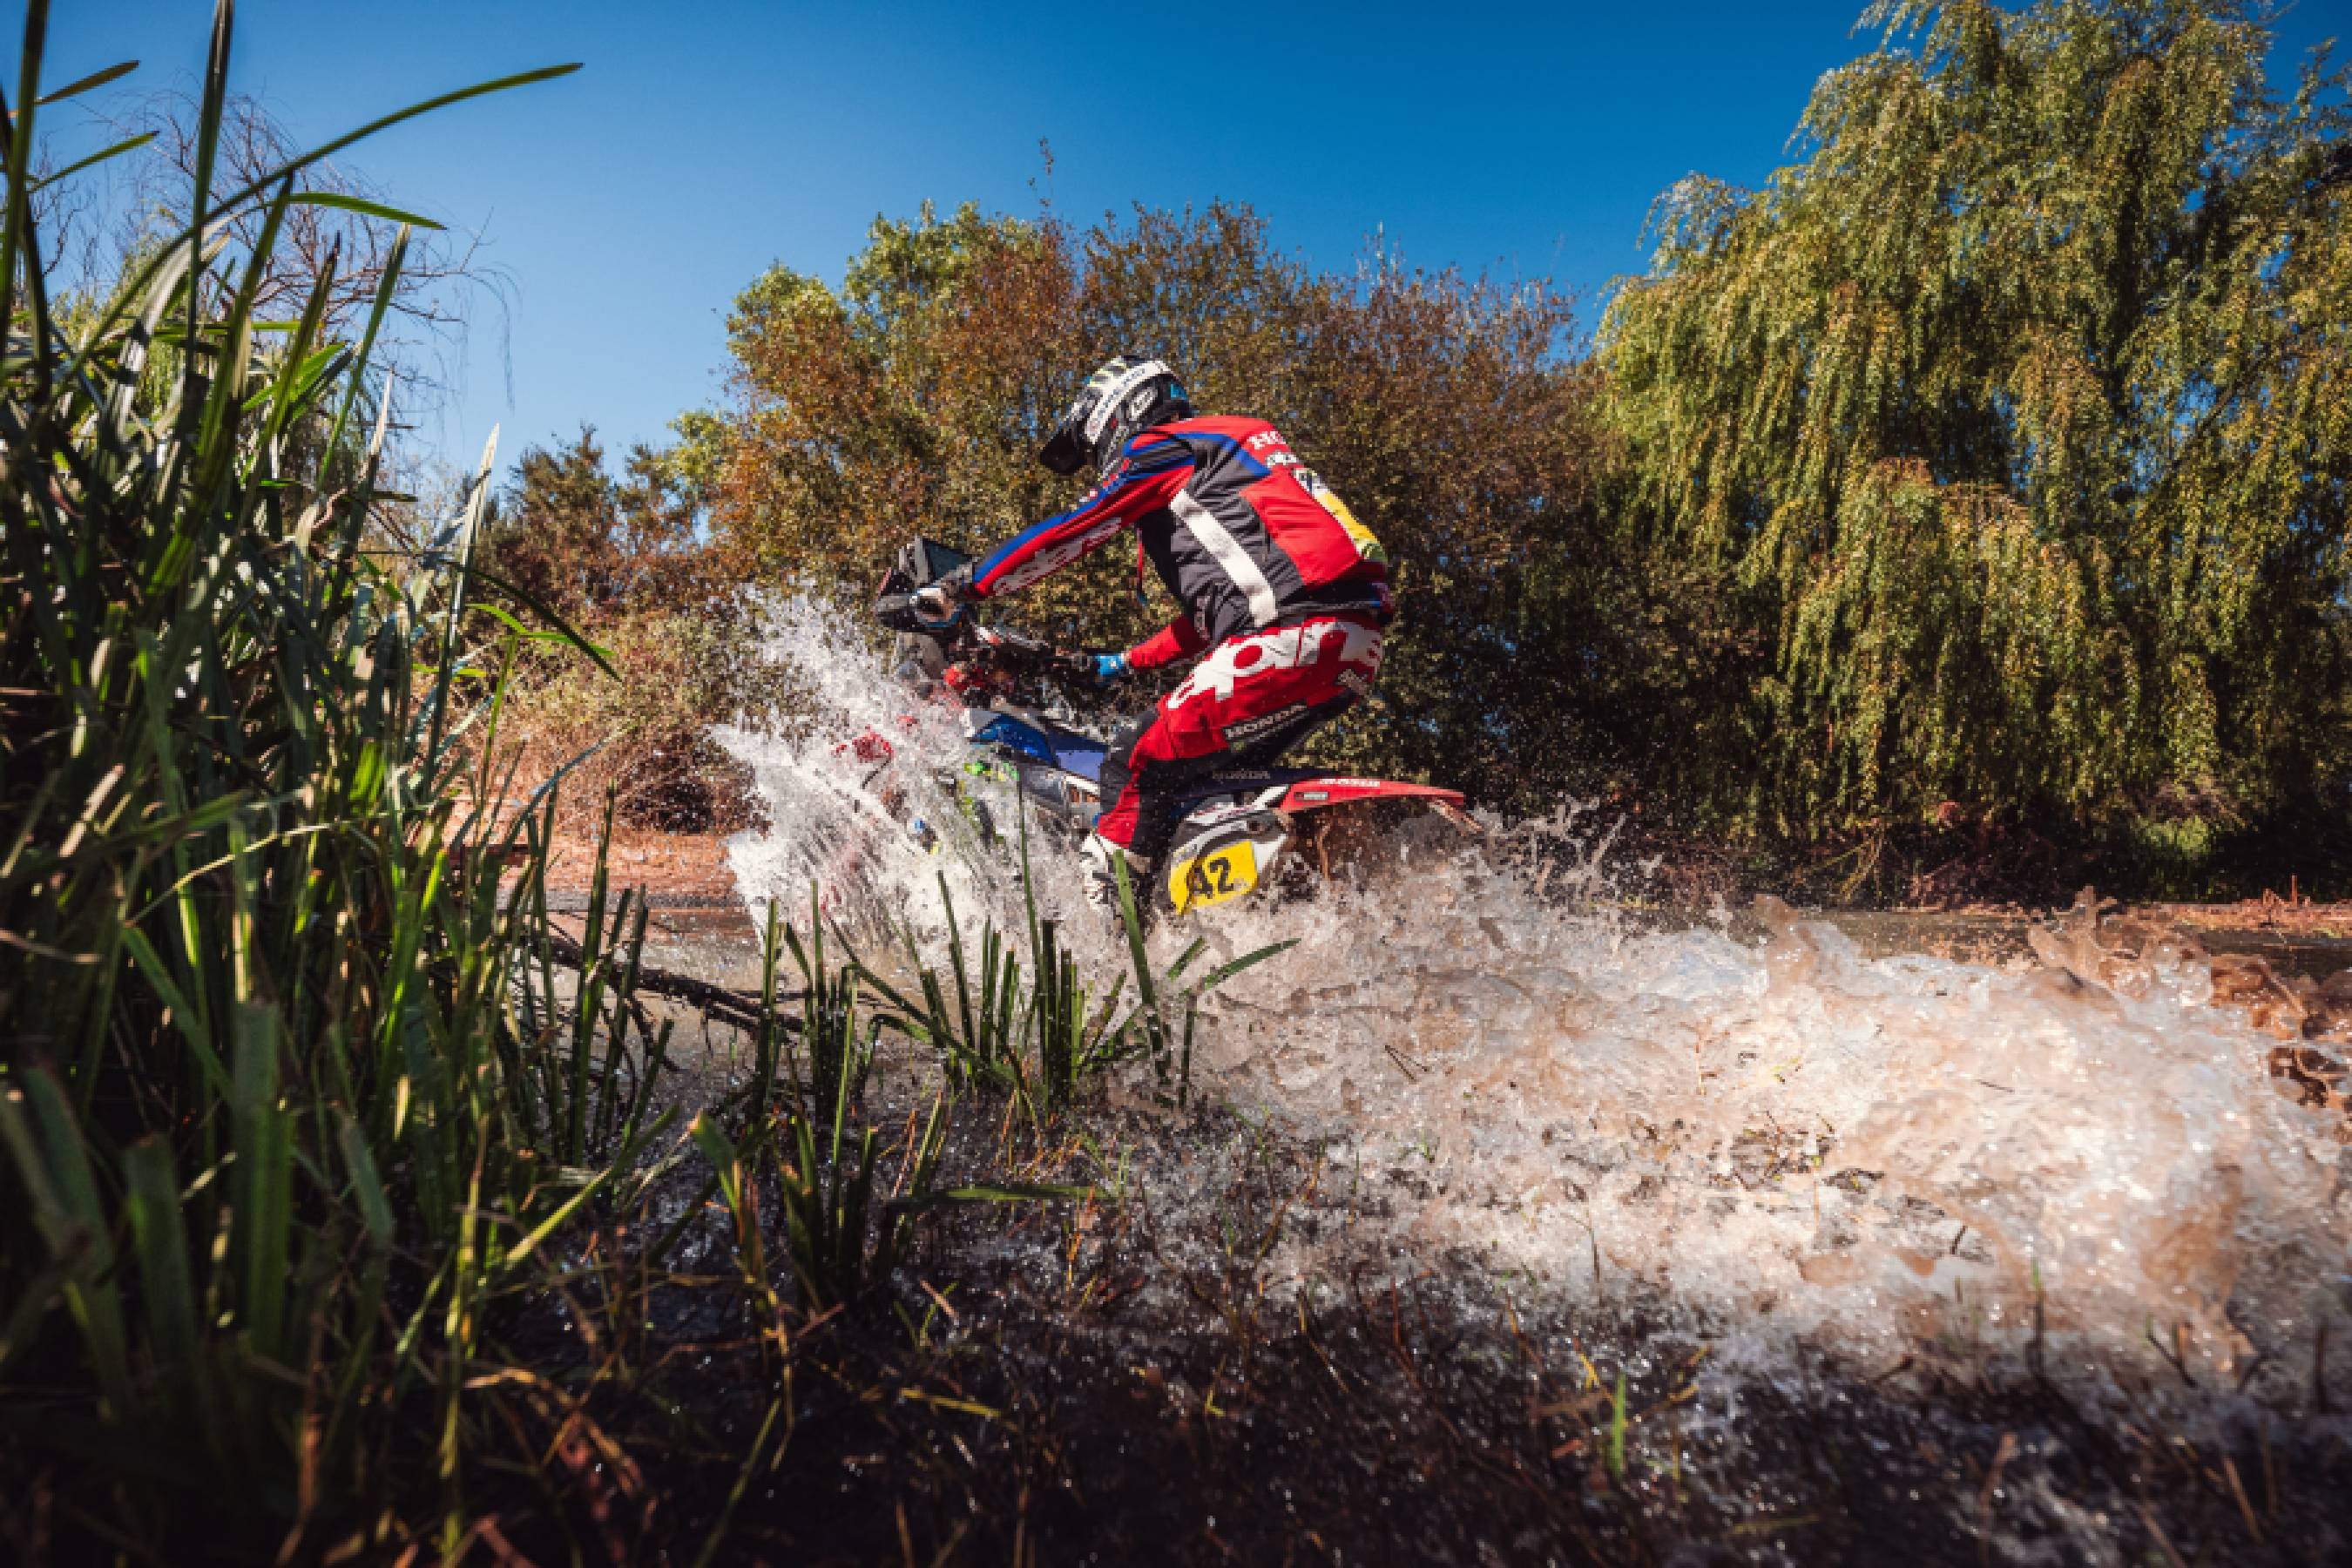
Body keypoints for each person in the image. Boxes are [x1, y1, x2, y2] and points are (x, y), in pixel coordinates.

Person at [913, 355, 1393, 918]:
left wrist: (963, 587)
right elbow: (1210, 617)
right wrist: (1119, 664)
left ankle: (1113, 955)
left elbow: (1074, 527)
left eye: (1093, 453)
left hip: (1292, 630)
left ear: (1119, 415)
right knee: (1199, 786)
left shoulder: (1165, 447)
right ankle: (1240, 904)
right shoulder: (1230, 458)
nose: (1099, 469)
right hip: (1348, 643)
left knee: (1133, 760)